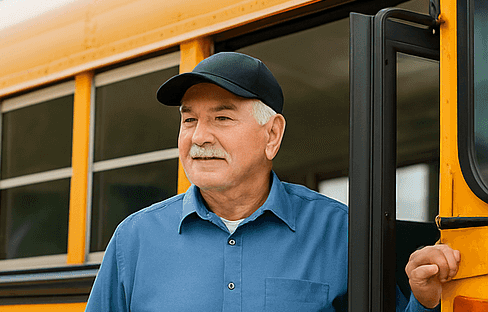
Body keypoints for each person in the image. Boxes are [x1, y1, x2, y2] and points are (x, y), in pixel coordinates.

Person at [84, 51, 460, 312]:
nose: (199, 137)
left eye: (222, 118)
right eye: (189, 120)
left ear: (272, 135)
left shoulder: (341, 232)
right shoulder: (134, 239)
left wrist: (424, 301)